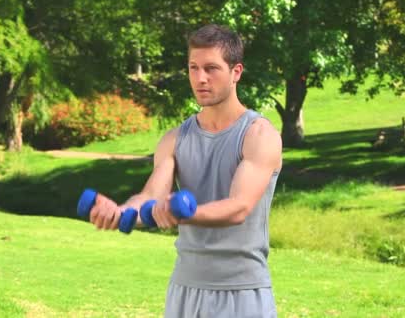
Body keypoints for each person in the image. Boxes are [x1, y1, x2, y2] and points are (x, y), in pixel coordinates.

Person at [90, 24, 282, 317]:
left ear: (236, 72)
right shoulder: (174, 139)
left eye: (211, 68)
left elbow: (239, 207)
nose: (200, 78)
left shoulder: (259, 135)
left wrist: (184, 213)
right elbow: (152, 196)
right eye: (193, 68)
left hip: (241, 291)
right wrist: (120, 212)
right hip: (185, 290)